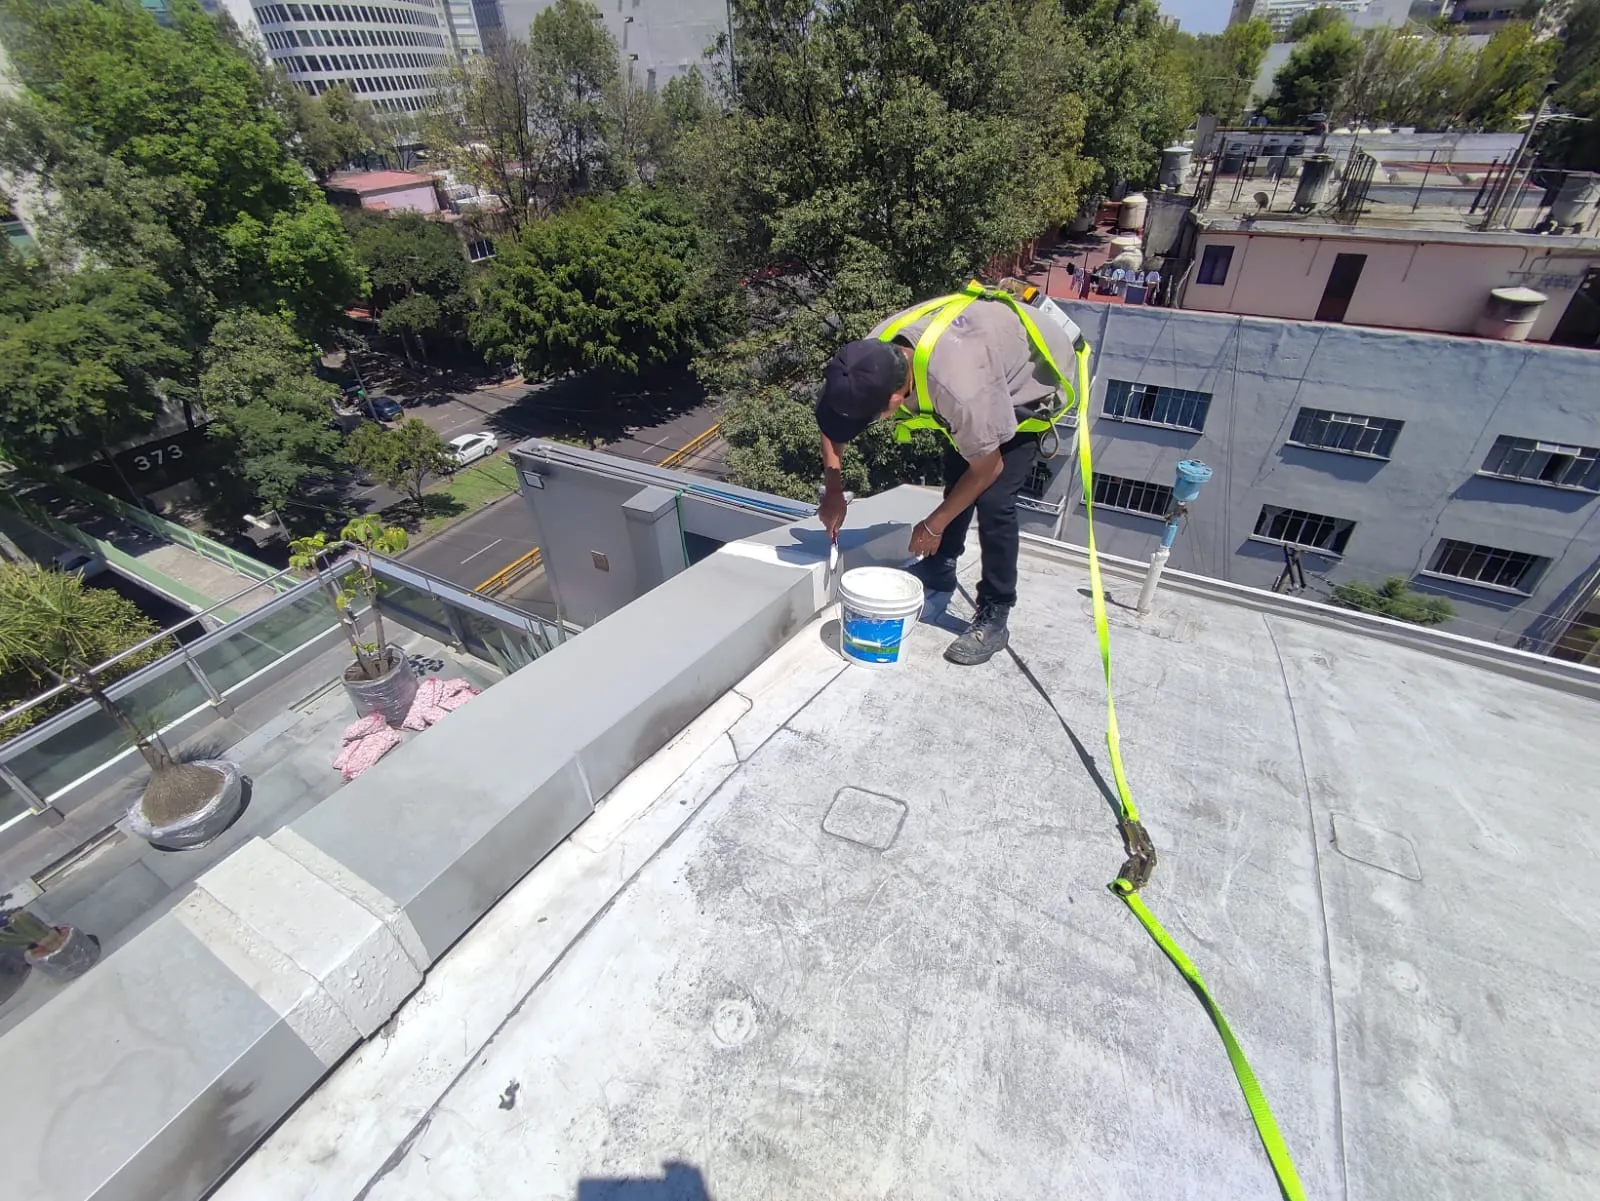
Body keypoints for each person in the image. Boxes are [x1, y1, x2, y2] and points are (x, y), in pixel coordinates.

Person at [814, 284, 1085, 666]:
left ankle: (995, 612)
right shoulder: (864, 360)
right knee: (958, 469)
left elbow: (989, 467)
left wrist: (934, 524)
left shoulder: (959, 391)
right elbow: (832, 425)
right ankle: (940, 568)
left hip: (1029, 378)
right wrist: (833, 488)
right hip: (980, 356)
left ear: (895, 400)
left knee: (993, 501)